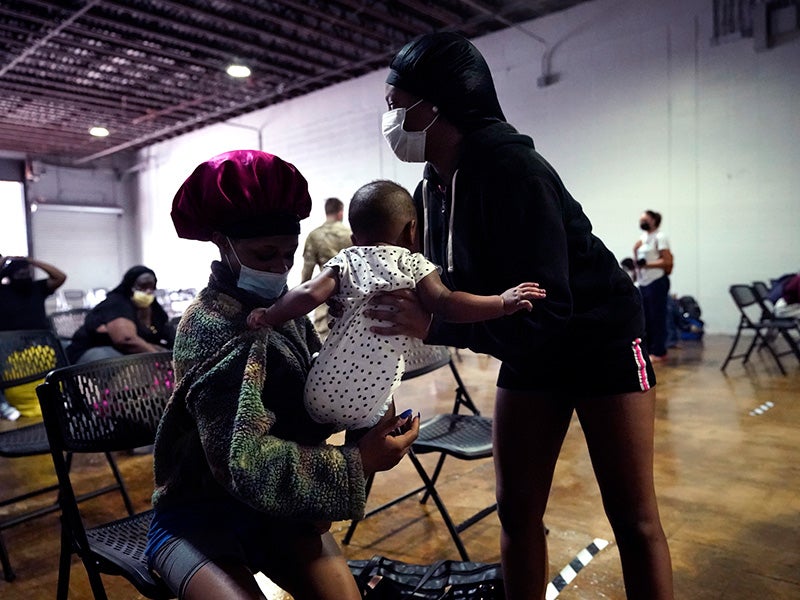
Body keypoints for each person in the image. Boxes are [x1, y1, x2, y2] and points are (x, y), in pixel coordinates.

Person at [382, 32, 674, 600]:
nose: (389, 119)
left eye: (396, 106)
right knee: (516, 511)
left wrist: (438, 325)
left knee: (633, 519)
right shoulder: (434, 185)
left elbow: (551, 309)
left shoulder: (515, 170)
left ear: (437, 103)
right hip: (529, 348)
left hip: (599, 341)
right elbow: (450, 283)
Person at [146, 150, 423, 600]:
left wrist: (369, 375)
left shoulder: (285, 315)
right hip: (198, 515)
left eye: (288, 254)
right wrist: (360, 461)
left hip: (276, 510)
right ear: (223, 243)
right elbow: (241, 462)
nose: (279, 267)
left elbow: (320, 394)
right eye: (264, 254)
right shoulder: (208, 325)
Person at [247, 179, 544, 431]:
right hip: (372, 400)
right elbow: (448, 304)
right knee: (381, 416)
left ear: (354, 238)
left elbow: (310, 293)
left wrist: (269, 314)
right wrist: (501, 303)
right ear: (412, 231)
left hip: (319, 391)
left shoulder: (348, 259)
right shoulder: (413, 264)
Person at [0, 254, 67, 420]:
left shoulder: (38, 288)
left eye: (26, 271)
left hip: (40, 341)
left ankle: (65, 398)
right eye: (19, 272)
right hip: (7, 344)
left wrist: (30, 261)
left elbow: (60, 276)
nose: (23, 274)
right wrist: (4, 263)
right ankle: (3, 405)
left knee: (64, 353)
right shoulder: (2, 290)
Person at [66, 266, 173, 364]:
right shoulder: (117, 303)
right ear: (131, 286)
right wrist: (160, 359)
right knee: (131, 369)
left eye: (151, 287)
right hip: (93, 350)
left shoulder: (153, 306)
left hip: (125, 352)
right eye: (143, 286)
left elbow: (163, 330)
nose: (148, 291)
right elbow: (126, 340)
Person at [301, 197, 353, 338]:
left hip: (324, 297)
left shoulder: (314, 236)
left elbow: (307, 274)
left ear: (326, 212)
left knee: (323, 342)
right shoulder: (351, 235)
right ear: (341, 212)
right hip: (351, 298)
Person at [633, 210, 674, 361]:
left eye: (645, 219)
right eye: (640, 219)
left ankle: (659, 352)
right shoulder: (643, 238)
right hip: (643, 282)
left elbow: (667, 261)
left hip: (656, 282)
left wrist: (648, 264)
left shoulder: (660, 237)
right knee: (646, 318)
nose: (642, 222)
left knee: (657, 317)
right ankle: (649, 350)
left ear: (654, 220)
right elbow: (638, 261)